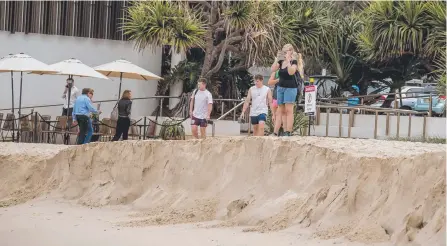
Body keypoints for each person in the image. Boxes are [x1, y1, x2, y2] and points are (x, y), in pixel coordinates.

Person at [270, 44, 304, 136]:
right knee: (281, 110)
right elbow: (273, 69)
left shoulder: (294, 62)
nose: (285, 53)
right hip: (281, 87)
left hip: (290, 88)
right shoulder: (281, 62)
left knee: (289, 110)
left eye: (286, 51)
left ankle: (288, 131)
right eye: (283, 51)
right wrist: (277, 58)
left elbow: (291, 72)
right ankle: (277, 131)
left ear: (291, 51)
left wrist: (288, 61)